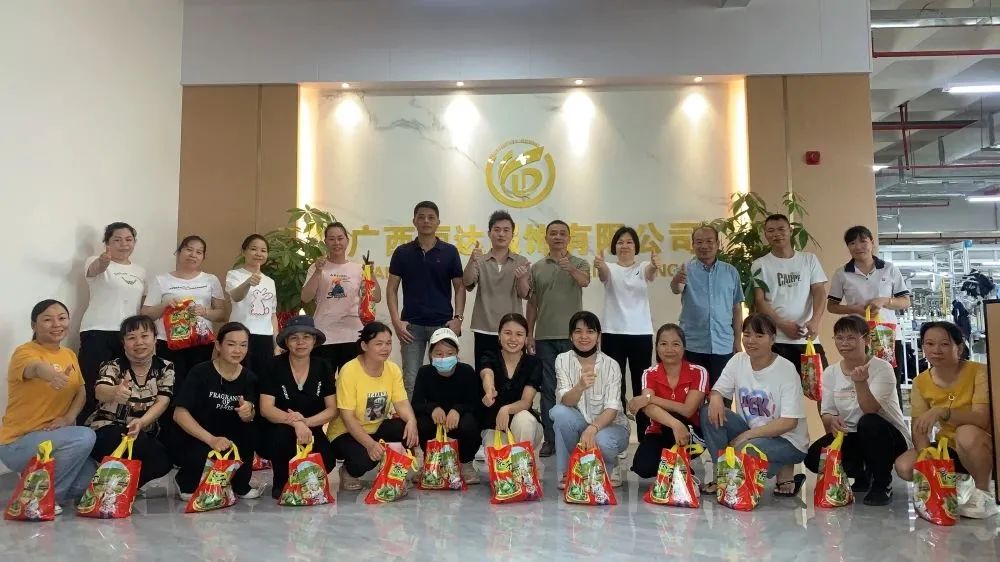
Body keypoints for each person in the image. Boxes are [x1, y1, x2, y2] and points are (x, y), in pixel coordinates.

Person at [0, 300, 96, 513]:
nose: (56, 324)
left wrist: (67, 418)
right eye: (47, 319)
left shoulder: (69, 354)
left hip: (53, 439)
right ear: (34, 325)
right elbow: (35, 368)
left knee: (90, 480)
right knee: (84, 436)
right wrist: (52, 375)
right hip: (19, 442)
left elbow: (81, 392)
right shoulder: (24, 352)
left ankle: (33, 480)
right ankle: (44, 499)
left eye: (62, 318)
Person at [894, 321, 997, 519]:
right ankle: (959, 481)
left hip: (982, 443)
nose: (936, 350)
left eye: (944, 344)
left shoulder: (979, 371)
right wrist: (928, 464)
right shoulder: (920, 381)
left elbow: (981, 419)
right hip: (948, 445)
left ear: (959, 347)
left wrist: (943, 412)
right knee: (905, 466)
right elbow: (919, 429)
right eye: (929, 344)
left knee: (966, 433)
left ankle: (985, 493)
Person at [804, 315, 910, 506]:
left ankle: (882, 483)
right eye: (839, 338)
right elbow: (827, 412)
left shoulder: (882, 368)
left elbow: (870, 409)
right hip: (851, 434)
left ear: (866, 339)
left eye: (851, 338)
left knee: (868, 422)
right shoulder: (831, 372)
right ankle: (863, 475)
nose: (844, 343)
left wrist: (860, 382)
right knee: (814, 457)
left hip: (887, 437)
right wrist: (832, 421)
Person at [701, 314, 810, 497]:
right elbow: (718, 390)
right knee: (708, 412)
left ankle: (782, 466)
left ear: (772, 339)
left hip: (788, 440)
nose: (751, 341)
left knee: (745, 451)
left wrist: (746, 436)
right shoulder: (738, 360)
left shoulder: (786, 369)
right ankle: (722, 476)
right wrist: (716, 396)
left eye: (759, 336)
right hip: (754, 433)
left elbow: (789, 422)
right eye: (747, 334)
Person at [172, 322, 263, 500]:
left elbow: (251, 414)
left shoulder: (250, 378)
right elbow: (179, 414)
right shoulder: (200, 372)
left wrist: (249, 412)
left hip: (230, 438)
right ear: (218, 345)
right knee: (191, 490)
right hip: (201, 435)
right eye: (231, 344)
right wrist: (211, 439)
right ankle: (185, 479)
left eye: (243, 345)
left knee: (251, 431)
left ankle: (241, 484)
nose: (237, 350)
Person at [327, 322, 420, 491]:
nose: (385, 348)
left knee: (405, 429)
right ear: (364, 345)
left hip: (376, 428)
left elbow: (401, 402)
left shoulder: (393, 369)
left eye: (388, 343)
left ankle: (392, 471)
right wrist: (370, 444)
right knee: (364, 460)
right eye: (379, 344)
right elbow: (348, 417)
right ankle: (348, 471)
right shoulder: (349, 370)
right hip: (346, 432)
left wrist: (412, 421)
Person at [85, 315, 174, 490]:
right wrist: (114, 392)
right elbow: (100, 390)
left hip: (143, 430)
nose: (139, 342)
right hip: (108, 428)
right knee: (122, 440)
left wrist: (142, 422)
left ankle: (121, 489)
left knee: (164, 460)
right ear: (124, 343)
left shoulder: (165, 367)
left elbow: (163, 401)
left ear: (155, 339)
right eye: (131, 338)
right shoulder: (113, 365)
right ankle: (109, 488)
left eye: (144, 336)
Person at [527, 220, 591, 457]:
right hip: (544, 337)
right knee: (548, 390)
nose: (558, 237)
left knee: (576, 388)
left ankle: (578, 439)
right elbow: (532, 303)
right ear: (546, 238)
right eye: (553, 233)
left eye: (562, 233)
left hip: (574, 338)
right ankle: (550, 440)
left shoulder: (580, 263)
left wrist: (570, 269)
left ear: (569, 238)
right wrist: (530, 334)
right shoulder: (537, 267)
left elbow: (585, 281)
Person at [387, 202, 465, 395]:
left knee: (444, 376)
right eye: (421, 217)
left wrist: (458, 318)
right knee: (411, 380)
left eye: (431, 217)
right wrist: (396, 321)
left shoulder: (450, 251)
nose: (426, 221)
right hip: (411, 327)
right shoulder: (402, 252)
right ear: (414, 221)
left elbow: (460, 287)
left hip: (443, 325)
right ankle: (413, 416)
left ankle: (442, 415)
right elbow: (391, 289)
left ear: (438, 222)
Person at [259, 315, 338, 499]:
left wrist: (306, 422)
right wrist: (296, 423)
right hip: (279, 428)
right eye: (294, 338)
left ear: (314, 340)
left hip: (311, 428)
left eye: (306, 337)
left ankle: (306, 480)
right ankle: (281, 481)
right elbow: (266, 408)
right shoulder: (273, 365)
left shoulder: (323, 366)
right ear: (287, 342)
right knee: (282, 436)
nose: (300, 342)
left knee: (328, 461)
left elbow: (332, 409)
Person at [550, 311, 630, 489]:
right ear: (571, 336)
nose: (584, 336)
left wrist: (592, 429)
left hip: (611, 428)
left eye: (590, 331)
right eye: (578, 331)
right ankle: (568, 470)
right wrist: (579, 386)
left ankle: (611, 464)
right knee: (559, 412)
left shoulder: (611, 365)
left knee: (602, 440)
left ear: (598, 336)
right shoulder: (562, 360)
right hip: (580, 425)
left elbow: (612, 409)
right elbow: (566, 401)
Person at [78, 222, 146, 423]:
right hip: (98, 331)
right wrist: (103, 261)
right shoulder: (95, 261)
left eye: (129, 239)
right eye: (117, 240)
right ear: (107, 243)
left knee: (123, 385)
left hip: (128, 336)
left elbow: (141, 305)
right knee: (93, 383)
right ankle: (86, 431)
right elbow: (95, 269)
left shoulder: (140, 271)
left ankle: (114, 429)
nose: (124, 244)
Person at [827, 225, 911, 387]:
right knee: (860, 383)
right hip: (858, 338)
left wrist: (884, 301)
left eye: (863, 241)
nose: (858, 247)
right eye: (852, 243)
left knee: (890, 384)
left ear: (872, 243)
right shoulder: (842, 273)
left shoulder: (889, 269)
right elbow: (832, 306)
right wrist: (855, 309)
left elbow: (905, 301)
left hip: (888, 337)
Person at [595, 225, 658, 436]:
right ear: (615, 247)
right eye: (620, 242)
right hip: (613, 333)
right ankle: (619, 433)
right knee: (616, 385)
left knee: (641, 385)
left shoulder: (644, 267)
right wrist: (600, 265)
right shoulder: (610, 268)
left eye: (629, 242)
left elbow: (650, 272)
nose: (625, 245)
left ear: (635, 246)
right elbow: (603, 274)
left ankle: (644, 435)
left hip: (640, 334)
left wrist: (655, 265)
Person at [141, 235, 226, 388]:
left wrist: (205, 312)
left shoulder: (211, 280)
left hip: (201, 341)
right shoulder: (161, 280)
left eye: (199, 252)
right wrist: (165, 305)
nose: (193, 255)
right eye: (189, 250)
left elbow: (221, 314)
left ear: (203, 257)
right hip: (169, 342)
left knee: (198, 386)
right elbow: (146, 314)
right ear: (178, 252)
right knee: (170, 386)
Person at [301, 222, 382, 378]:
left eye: (340, 238)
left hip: (353, 334)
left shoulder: (358, 269)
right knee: (324, 383)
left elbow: (376, 297)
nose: (336, 243)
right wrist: (318, 272)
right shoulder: (317, 267)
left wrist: (371, 274)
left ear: (347, 240)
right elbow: (305, 297)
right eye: (332, 239)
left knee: (351, 382)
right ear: (325, 242)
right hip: (324, 334)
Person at [629, 324, 709, 480]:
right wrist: (675, 424)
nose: (669, 349)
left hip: (692, 432)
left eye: (676, 344)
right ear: (657, 347)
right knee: (642, 468)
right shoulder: (649, 373)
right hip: (661, 429)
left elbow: (688, 410)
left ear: (684, 347)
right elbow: (648, 409)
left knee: (675, 418)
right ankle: (676, 468)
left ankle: (681, 469)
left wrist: (650, 398)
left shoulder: (698, 372)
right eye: (663, 344)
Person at [751, 214, 829, 375]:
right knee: (778, 387)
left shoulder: (809, 259)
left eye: (781, 229)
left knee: (820, 385)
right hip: (776, 340)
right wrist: (782, 324)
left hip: (808, 339)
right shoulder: (760, 264)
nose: (776, 234)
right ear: (765, 234)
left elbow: (819, 291)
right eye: (771, 231)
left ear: (790, 231)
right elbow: (759, 300)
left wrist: (815, 321)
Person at [670, 224, 743, 395]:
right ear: (693, 245)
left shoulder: (730, 272)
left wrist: (737, 340)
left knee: (722, 396)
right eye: (699, 242)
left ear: (717, 244)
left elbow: (737, 308)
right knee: (692, 397)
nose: (704, 246)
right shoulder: (685, 268)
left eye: (709, 241)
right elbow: (676, 289)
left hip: (723, 345)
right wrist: (676, 280)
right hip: (693, 345)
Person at [411, 328, 482, 484]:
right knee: (422, 423)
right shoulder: (424, 373)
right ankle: (430, 463)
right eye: (439, 353)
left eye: (449, 353)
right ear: (431, 354)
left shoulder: (466, 371)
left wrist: (458, 410)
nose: (444, 358)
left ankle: (466, 464)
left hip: (458, 424)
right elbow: (416, 404)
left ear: (457, 353)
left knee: (470, 423)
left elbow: (475, 403)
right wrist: (432, 408)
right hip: (435, 424)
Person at [462, 210, 530, 372]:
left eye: (506, 230)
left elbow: (524, 294)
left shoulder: (521, 261)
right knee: (484, 373)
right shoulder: (480, 260)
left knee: (514, 374)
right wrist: (472, 261)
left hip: (512, 330)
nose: (501, 234)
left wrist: (522, 279)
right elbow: (467, 282)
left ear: (512, 234)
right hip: (484, 327)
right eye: (497, 230)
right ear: (489, 233)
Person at [480, 313, 544, 452]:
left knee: (524, 420)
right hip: (495, 427)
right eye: (508, 333)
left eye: (519, 334)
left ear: (526, 338)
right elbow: (487, 373)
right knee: (499, 460)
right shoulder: (489, 356)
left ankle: (522, 463)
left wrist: (506, 409)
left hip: (525, 426)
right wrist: (489, 389)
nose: (513, 339)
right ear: (499, 335)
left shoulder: (533, 363)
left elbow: (526, 401)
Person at [227, 234, 278, 376]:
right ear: (244, 252)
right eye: (254, 249)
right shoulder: (234, 275)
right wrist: (248, 282)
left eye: (263, 250)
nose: (259, 253)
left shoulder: (270, 281)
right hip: (240, 336)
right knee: (239, 377)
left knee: (264, 379)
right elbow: (236, 296)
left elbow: (272, 315)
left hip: (265, 338)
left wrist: (276, 343)